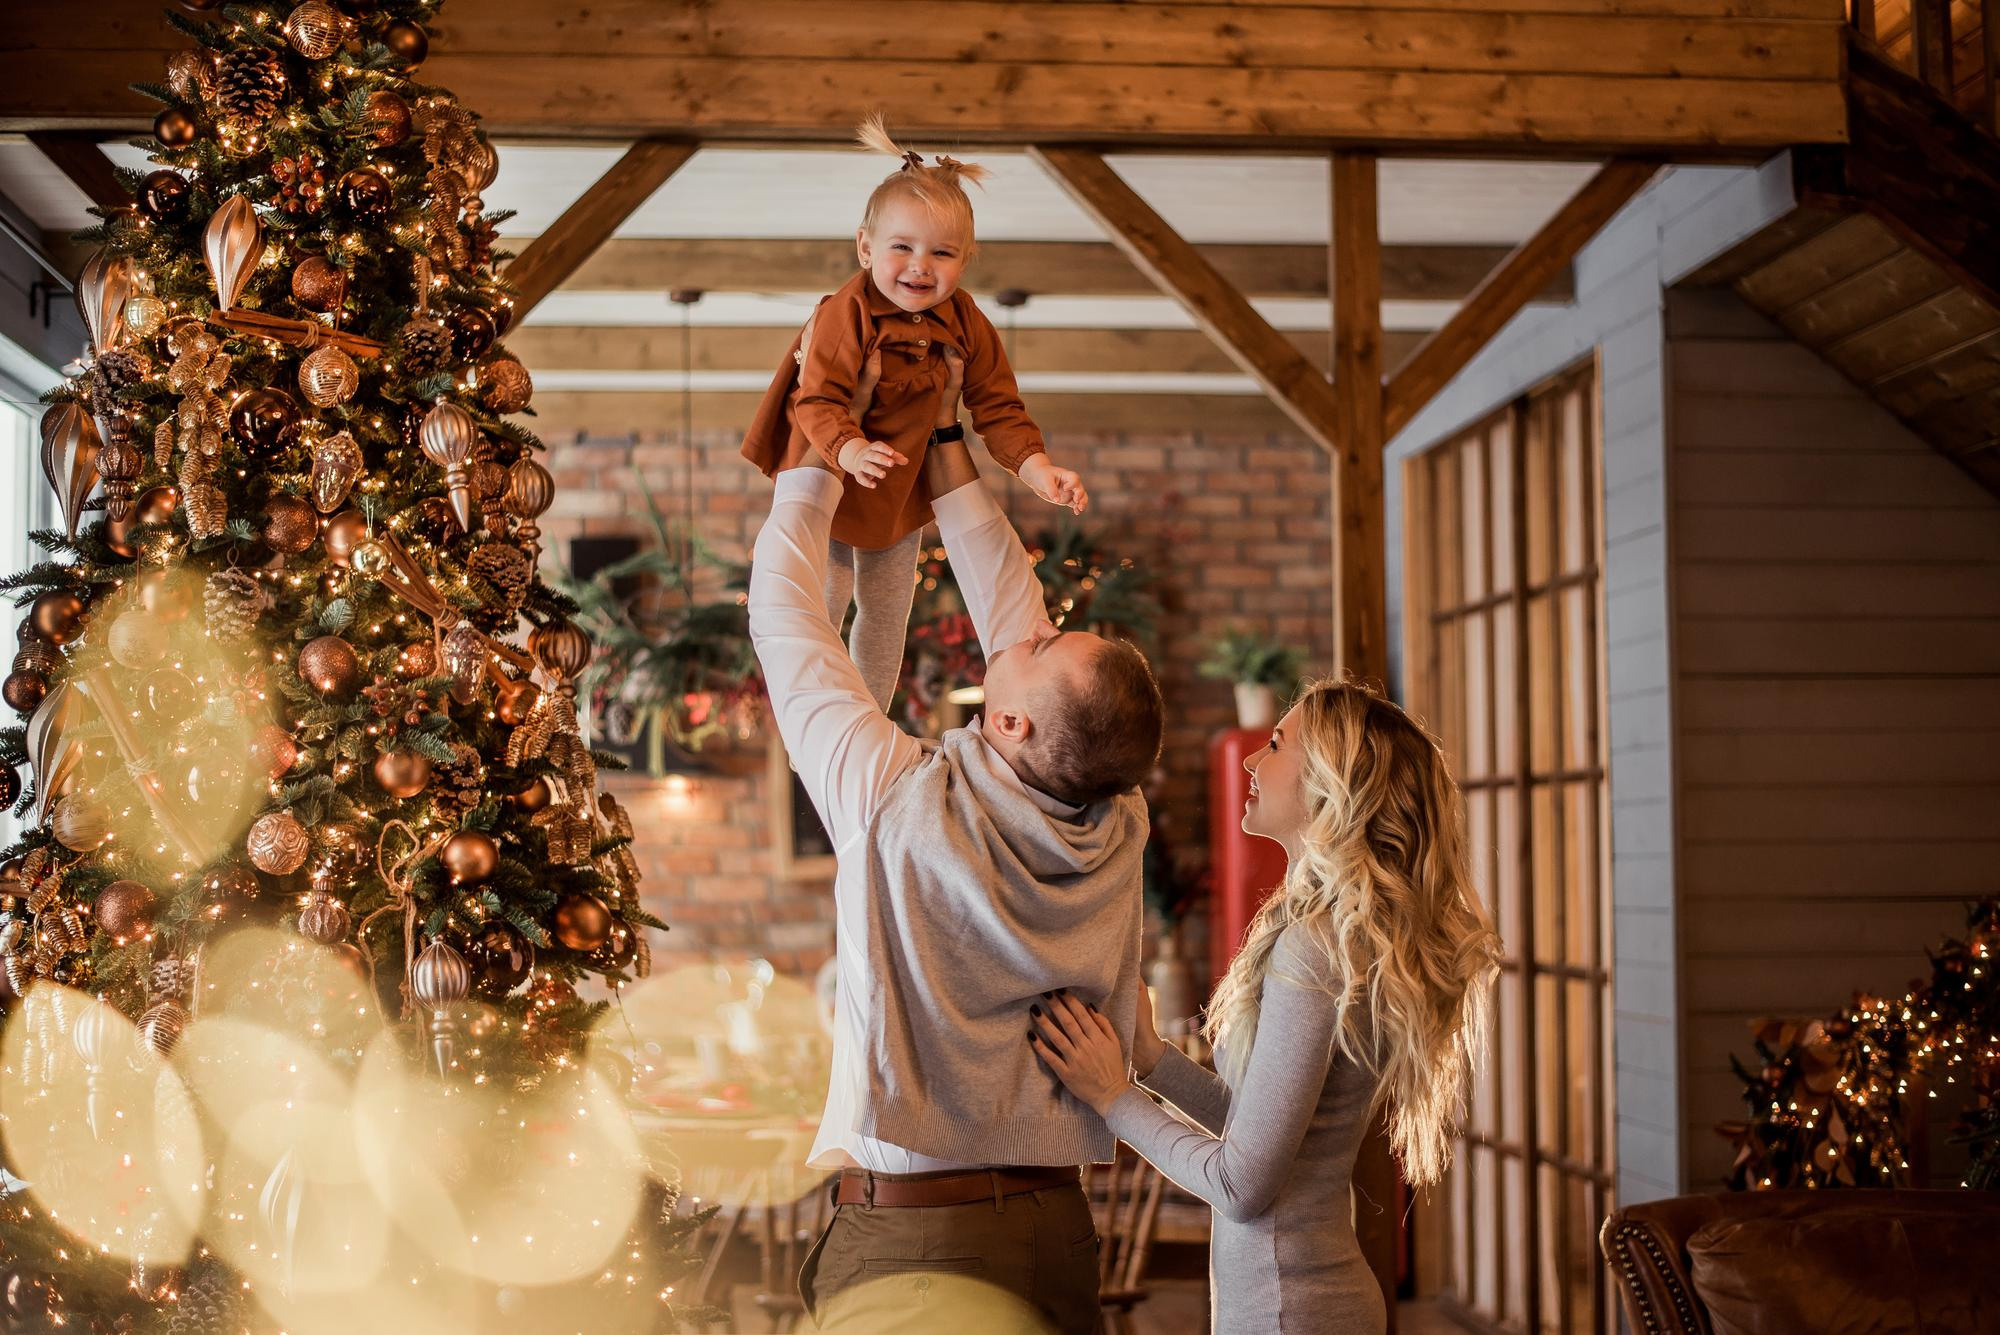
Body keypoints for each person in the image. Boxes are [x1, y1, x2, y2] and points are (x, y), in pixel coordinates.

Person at [747, 396, 1162, 1332]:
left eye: (1046, 644)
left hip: (919, 1250)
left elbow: (784, 613)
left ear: (1008, 721)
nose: (1034, 626)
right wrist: (944, 440)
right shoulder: (1117, 816)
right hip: (1056, 1225)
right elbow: (1014, 609)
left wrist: (816, 439)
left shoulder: (896, 800)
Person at [1031, 681, 1503, 1334]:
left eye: (1277, 744)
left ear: (1331, 781)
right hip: (1303, 1301)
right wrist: (1152, 1060)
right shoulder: (1332, 933)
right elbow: (1267, 1130)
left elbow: (1241, 1184)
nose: (1253, 759)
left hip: (1292, 1310)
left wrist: (1113, 1097)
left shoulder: (1316, 946)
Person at [742, 115, 1088, 712]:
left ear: (966, 259)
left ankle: (868, 715)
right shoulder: (846, 312)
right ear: (866, 248)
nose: (920, 266)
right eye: (901, 247)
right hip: (828, 468)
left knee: (886, 610)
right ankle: (817, 715)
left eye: (942, 253)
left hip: (897, 487)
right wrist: (851, 448)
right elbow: (817, 399)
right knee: (824, 600)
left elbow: (997, 404)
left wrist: (1036, 468)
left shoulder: (967, 321)